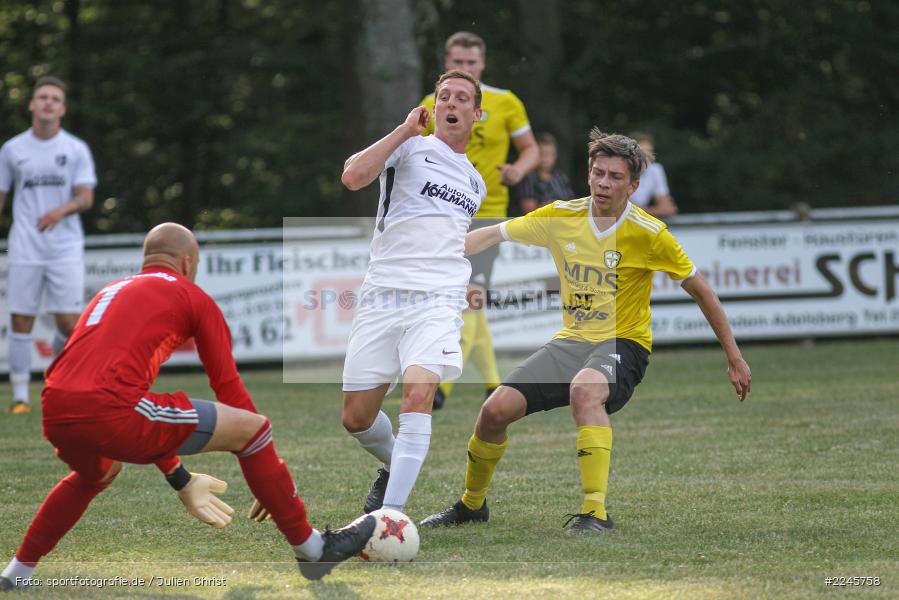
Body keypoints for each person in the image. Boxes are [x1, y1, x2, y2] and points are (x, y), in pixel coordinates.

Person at [0, 223, 374, 590]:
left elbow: (134, 412)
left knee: (98, 473)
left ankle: (17, 573)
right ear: (188, 262)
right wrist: (264, 475)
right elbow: (228, 389)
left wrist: (181, 478)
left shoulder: (110, 292)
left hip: (56, 408)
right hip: (110, 409)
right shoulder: (192, 297)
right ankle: (312, 549)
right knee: (255, 430)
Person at [421, 129, 751, 534]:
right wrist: (430, 254)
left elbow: (703, 292)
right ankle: (471, 506)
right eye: (598, 173)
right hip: (572, 342)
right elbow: (492, 234)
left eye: (614, 177)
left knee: (584, 389)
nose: (603, 183)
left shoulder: (650, 234)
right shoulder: (562, 216)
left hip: (624, 343)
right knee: (493, 411)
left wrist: (734, 357)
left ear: (633, 186)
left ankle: (595, 512)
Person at [339, 70, 486, 517]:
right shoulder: (409, 146)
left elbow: (451, 242)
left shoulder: (475, 183)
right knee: (357, 418)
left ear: (477, 114)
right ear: (434, 106)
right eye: (445, 96)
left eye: (462, 98)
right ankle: (395, 465)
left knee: (419, 396)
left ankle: (392, 516)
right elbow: (352, 177)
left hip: (437, 300)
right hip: (383, 293)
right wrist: (405, 129)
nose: (452, 103)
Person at [420, 32, 539, 409]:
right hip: (442, 215)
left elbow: (531, 149)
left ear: (482, 64)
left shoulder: (505, 101)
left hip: (487, 213)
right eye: (458, 62)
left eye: (471, 63)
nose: (465, 68)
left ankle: (441, 388)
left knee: (470, 297)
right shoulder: (430, 103)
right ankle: (493, 384)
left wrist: (518, 171)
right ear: (446, 62)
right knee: (469, 299)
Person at [0, 76, 97, 414]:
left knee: (69, 323)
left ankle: (57, 383)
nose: (48, 103)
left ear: (63, 109)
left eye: (55, 98)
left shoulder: (75, 149)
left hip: (65, 247)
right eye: (42, 97)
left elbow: (86, 197)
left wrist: (61, 210)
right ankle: (21, 397)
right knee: (21, 320)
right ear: (31, 104)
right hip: (26, 245)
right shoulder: (12, 149)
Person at [515, 132, 575, 214]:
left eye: (550, 154)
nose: (546, 158)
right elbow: (528, 211)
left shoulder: (560, 177)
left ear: (555, 156)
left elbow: (573, 202)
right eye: (542, 153)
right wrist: (553, 206)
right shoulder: (528, 178)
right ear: (535, 155)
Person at [627, 132, 678, 218]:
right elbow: (613, 210)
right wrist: (655, 210)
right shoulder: (620, 170)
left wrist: (633, 212)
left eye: (650, 151)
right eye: (642, 152)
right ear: (630, 154)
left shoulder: (655, 170)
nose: (647, 156)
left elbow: (667, 209)